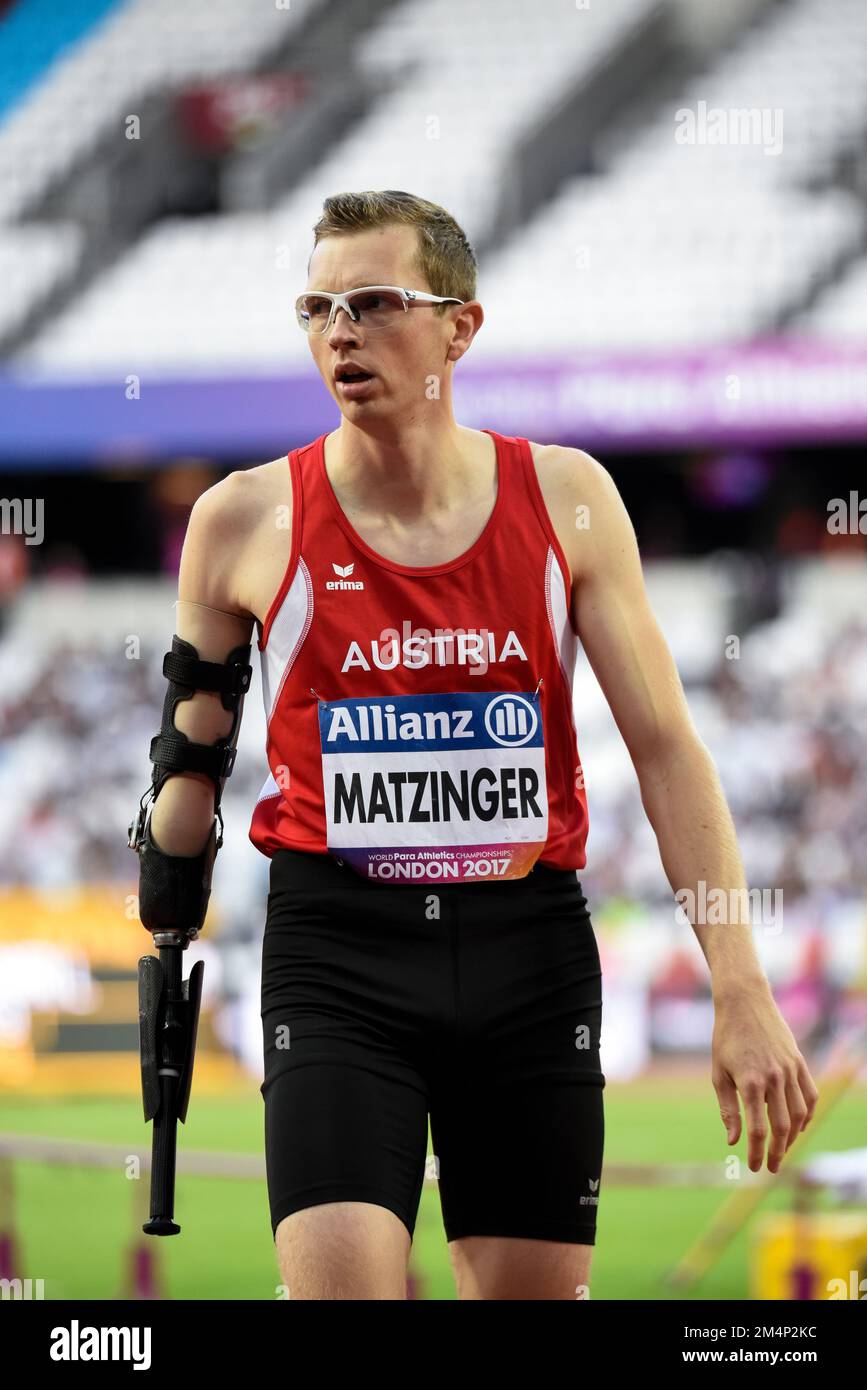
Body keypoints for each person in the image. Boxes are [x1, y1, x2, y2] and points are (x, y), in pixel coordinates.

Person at [142, 190, 818, 1300]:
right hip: (338, 952)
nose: (340, 332)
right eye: (317, 308)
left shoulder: (570, 499)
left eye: (374, 303)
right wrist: (166, 893)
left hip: (529, 958)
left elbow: (667, 751)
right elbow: (191, 754)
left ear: (461, 326)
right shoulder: (243, 518)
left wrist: (739, 984)